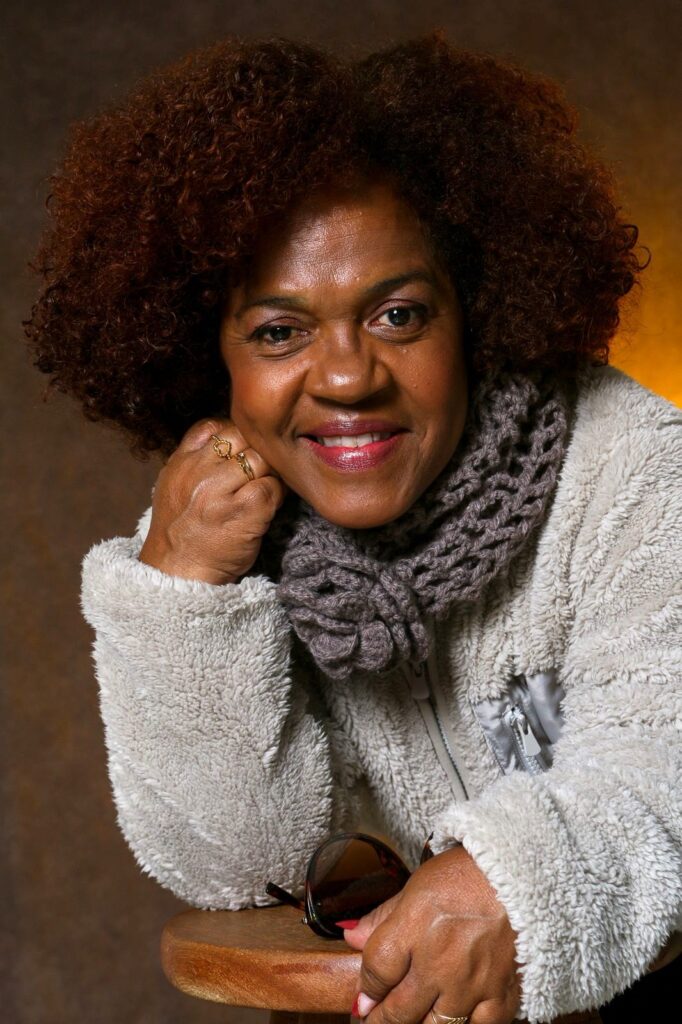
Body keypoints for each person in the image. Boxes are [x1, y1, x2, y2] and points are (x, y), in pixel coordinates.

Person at [24, 32, 681, 1024]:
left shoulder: (630, 463)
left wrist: (514, 878)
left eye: (397, 315)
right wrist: (186, 593)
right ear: (212, 358)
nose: (344, 377)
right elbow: (238, 866)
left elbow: (663, 755)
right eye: (279, 331)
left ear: (475, 313)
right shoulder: (225, 531)